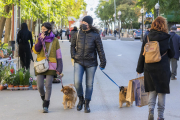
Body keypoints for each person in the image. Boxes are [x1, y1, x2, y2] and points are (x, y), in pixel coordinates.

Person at [136, 16, 175, 120]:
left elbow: (142, 54)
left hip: (149, 69)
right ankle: (160, 117)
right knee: (162, 92)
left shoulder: (147, 37)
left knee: (152, 91)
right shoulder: (168, 37)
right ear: (164, 25)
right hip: (163, 69)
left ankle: (150, 111)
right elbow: (172, 54)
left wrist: (139, 69)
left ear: (153, 24)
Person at [71, 16, 106, 113]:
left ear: (89, 24)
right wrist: (74, 56)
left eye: (85, 22)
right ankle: (81, 99)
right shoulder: (77, 33)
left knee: (89, 84)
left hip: (91, 63)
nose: (83, 23)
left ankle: (87, 103)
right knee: (77, 82)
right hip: (79, 61)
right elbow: (72, 46)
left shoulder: (95, 35)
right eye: (82, 22)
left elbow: (100, 50)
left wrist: (103, 62)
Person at [32, 22, 63, 113]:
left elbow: (59, 55)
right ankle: (44, 97)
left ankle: (46, 105)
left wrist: (60, 68)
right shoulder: (39, 39)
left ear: (49, 30)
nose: (42, 31)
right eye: (41, 30)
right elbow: (36, 51)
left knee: (48, 85)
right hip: (40, 64)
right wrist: (40, 40)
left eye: (44, 30)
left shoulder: (55, 40)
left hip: (52, 65)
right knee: (40, 86)